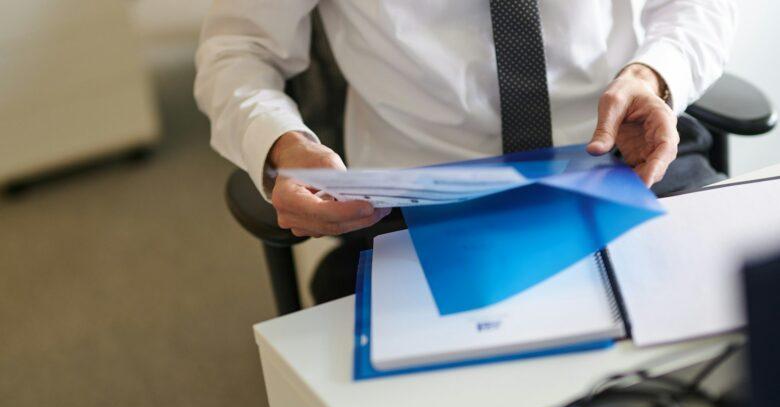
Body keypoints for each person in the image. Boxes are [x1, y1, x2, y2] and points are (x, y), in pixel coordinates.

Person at [195, 0, 737, 303]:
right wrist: (278, 147)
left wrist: (656, 74)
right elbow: (237, 51)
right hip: (413, 199)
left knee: (729, 336)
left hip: (625, 155)